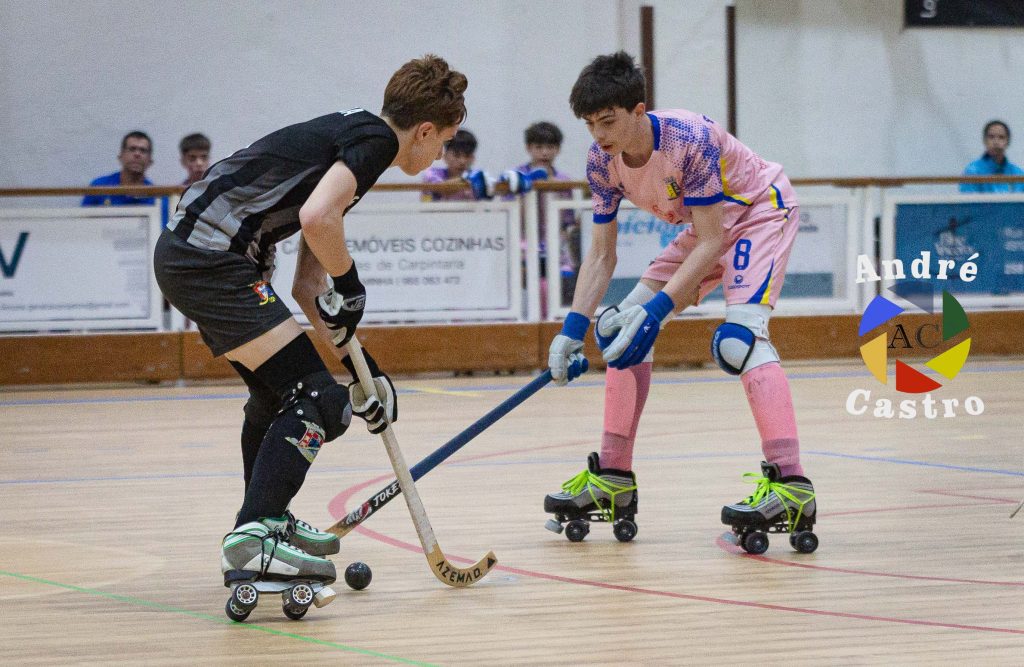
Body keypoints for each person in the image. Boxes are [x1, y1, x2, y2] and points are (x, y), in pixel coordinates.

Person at [153, 55, 467, 607]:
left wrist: (365, 374)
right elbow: (318, 219)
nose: (439, 154)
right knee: (318, 398)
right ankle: (256, 534)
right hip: (209, 259)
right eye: (443, 141)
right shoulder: (375, 142)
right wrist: (353, 283)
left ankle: (263, 523)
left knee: (278, 396)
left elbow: (307, 288)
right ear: (423, 131)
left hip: (200, 257)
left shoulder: (354, 140)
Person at [544, 52, 816, 549]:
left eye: (608, 121)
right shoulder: (601, 160)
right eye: (589, 124)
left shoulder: (687, 138)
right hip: (708, 226)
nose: (598, 134)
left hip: (758, 211)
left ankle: (791, 485)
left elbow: (713, 240)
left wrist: (659, 311)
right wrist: (571, 328)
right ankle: (613, 477)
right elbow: (601, 254)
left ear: (638, 110)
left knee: (739, 341)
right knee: (620, 329)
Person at [515, 121, 580, 312]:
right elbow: (513, 218)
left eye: (550, 147)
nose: (544, 153)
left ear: (558, 149)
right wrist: (530, 188)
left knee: (567, 275)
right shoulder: (516, 177)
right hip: (522, 243)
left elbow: (567, 222)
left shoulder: (563, 181)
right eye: (538, 147)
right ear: (529, 148)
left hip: (555, 245)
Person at [81, 131, 157, 206]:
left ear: (150, 161)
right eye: (132, 149)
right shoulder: (98, 187)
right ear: (120, 157)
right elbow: (83, 214)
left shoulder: (157, 197)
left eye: (143, 151)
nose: (137, 154)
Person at [960, 120, 1024, 193]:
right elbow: (968, 199)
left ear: (1008, 141)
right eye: (991, 137)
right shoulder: (972, 172)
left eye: (1001, 137)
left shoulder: (1018, 174)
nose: (996, 142)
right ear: (985, 141)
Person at [421, 128, 479, 201]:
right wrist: (466, 179)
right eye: (456, 155)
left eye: (467, 156)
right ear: (445, 156)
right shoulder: (432, 174)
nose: (462, 161)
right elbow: (441, 189)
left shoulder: (478, 176)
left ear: (473, 158)